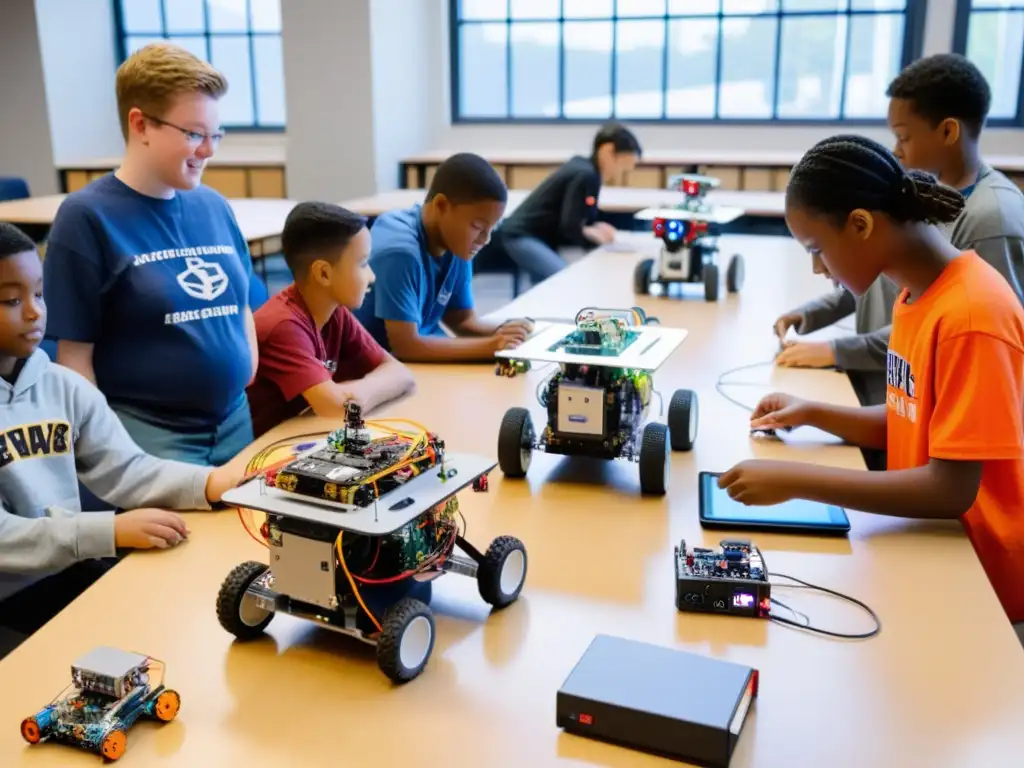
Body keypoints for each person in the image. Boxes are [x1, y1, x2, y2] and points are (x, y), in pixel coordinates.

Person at [719, 135, 1024, 646]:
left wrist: (798, 481)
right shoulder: (917, 292)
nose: (818, 268)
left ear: (861, 224)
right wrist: (815, 412)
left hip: (982, 584)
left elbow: (951, 488)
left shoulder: (971, 314)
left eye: (817, 250)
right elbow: (916, 420)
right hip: (935, 550)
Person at [0, 223, 241, 652]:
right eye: (12, 301)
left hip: (61, 567)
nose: (36, 313)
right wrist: (107, 531)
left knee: (169, 625)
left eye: (39, 294)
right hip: (9, 595)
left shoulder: (61, 385)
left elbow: (126, 468)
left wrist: (206, 483)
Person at [41, 42, 264, 467]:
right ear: (140, 124)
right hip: (150, 437)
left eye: (216, 134)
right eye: (195, 134)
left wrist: (243, 368)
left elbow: (241, 304)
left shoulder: (213, 206)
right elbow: (74, 361)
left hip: (235, 421)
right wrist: (109, 459)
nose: (209, 150)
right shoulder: (86, 218)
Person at [772, 53, 1024, 408]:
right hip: (895, 405)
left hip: (930, 412)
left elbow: (970, 340)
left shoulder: (991, 219)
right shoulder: (915, 202)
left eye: (903, 137)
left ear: (949, 131)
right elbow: (876, 273)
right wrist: (812, 314)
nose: (896, 150)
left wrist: (835, 350)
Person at [246, 202, 416, 438]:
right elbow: (338, 409)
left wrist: (355, 394)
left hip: (301, 436)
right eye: (363, 263)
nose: (372, 276)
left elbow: (401, 373)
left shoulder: (335, 311)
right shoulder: (283, 326)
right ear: (324, 273)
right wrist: (350, 397)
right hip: (259, 453)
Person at [353, 153, 533, 362]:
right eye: (477, 227)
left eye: (492, 228)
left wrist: (510, 331)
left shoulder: (456, 242)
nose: (485, 239)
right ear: (441, 206)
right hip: (379, 365)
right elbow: (406, 346)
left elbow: (462, 321)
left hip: (422, 357)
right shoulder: (400, 252)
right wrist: (493, 346)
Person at [484, 122, 642, 285]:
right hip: (521, 236)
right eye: (622, 168)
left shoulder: (586, 170)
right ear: (608, 151)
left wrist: (594, 227)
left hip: (535, 237)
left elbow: (579, 217)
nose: (618, 175)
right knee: (564, 281)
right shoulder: (585, 175)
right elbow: (569, 227)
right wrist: (592, 234)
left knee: (556, 282)